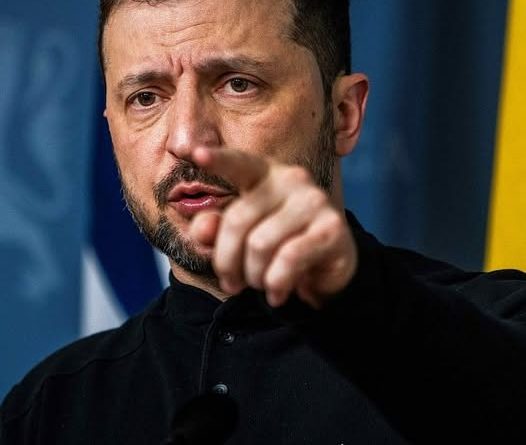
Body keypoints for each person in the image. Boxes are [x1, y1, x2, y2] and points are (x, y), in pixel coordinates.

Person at [1, 0, 526, 443]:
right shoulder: (49, 410)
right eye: (146, 98)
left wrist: (354, 294)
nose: (186, 139)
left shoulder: (501, 322)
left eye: (237, 84)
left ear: (344, 114)